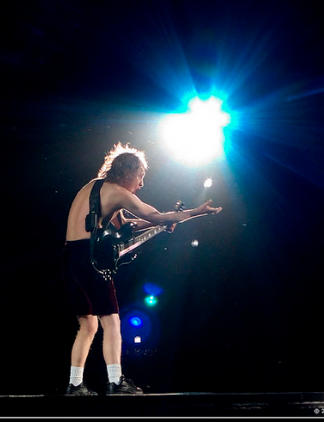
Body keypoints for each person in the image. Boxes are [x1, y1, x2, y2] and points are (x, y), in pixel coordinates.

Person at [62, 142, 222, 396]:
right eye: (140, 176)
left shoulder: (94, 187)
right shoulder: (119, 193)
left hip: (70, 256)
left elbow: (126, 225)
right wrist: (196, 213)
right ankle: (116, 382)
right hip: (88, 257)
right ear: (128, 172)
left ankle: (74, 384)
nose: (141, 184)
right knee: (112, 321)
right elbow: (155, 215)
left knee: (88, 325)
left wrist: (158, 224)